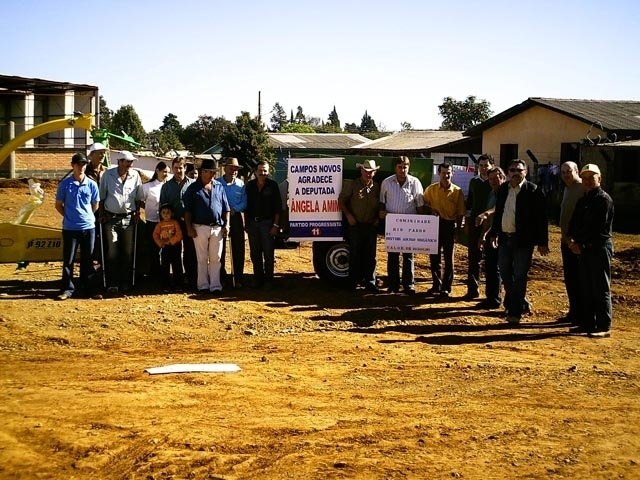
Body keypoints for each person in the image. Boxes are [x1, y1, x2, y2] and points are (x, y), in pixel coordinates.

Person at [490, 159, 549, 324]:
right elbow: (499, 213)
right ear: (508, 173)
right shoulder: (503, 189)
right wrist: (494, 233)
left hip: (523, 241)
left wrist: (543, 242)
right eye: (512, 170)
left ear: (526, 172)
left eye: (519, 170)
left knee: (520, 276)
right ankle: (520, 302)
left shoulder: (534, 191)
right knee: (505, 273)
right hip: (504, 239)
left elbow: (541, 219)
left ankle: (514, 312)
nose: (515, 173)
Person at [567, 164, 614, 338]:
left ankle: (603, 325)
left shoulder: (604, 200)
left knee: (600, 287)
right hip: (584, 249)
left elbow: (598, 228)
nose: (587, 181)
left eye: (591, 178)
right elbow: (574, 223)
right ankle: (588, 323)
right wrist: (572, 239)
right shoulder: (583, 200)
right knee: (585, 286)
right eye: (584, 178)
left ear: (599, 179)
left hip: (598, 248)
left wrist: (580, 243)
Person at [54, 153, 100, 300]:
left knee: (88, 259)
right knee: (68, 260)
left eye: (84, 165)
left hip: (88, 227)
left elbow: (95, 204)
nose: (81, 167)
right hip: (70, 228)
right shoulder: (65, 184)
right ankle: (67, 289)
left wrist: (86, 216)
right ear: (72, 165)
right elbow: (58, 205)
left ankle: (88, 289)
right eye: (78, 164)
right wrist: (69, 216)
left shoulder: (92, 184)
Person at [98, 150, 144, 294]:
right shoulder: (108, 175)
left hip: (129, 218)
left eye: (131, 162)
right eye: (127, 161)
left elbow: (138, 197)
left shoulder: (135, 176)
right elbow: (102, 197)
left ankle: (126, 282)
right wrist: (101, 214)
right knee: (112, 252)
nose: (130, 164)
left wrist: (137, 212)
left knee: (128, 252)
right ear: (120, 162)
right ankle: (112, 282)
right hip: (111, 218)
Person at [183, 158, 230, 294]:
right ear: (202, 172)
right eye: (208, 172)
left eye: (213, 172)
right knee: (202, 258)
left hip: (217, 227)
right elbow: (187, 211)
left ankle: (215, 286)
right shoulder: (192, 189)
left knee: (216, 258)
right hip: (199, 227)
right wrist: (189, 228)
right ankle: (203, 285)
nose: (211, 174)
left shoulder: (219, 186)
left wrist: (227, 224)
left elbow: (226, 208)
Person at [379, 156, 425, 294]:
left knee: (408, 255)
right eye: (400, 166)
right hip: (392, 225)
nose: (402, 169)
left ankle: (408, 284)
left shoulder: (415, 182)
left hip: (409, 226)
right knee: (392, 255)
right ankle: (393, 284)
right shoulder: (386, 182)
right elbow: (382, 201)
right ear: (395, 168)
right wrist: (382, 213)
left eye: (405, 166)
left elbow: (420, 204)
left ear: (408, 167)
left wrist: (423, 223)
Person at [423, 163, 466, 298]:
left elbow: (460, 213)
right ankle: (436, 284)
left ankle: (446, 287)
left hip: (449, 225)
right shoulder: (431, 189)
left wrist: (458, 230)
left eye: (448, 173)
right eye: (443, 173)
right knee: (434, 258)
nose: (446, 175)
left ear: (452, 173)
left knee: (449, 259)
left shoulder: (457, 191)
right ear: (439, 173)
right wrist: (430, 210)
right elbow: (424, 204)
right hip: (434, 226)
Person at [338, 159, 381, 292]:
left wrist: (378, 219)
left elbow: (383, 204)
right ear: (361, 171)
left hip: (370, 225)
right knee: (355, 254)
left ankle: (370, 281)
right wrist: (348, 216)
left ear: (374, 173)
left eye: (371, 172)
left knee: (370, 255)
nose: (368, 174)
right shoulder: (353, 184)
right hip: (355, 225)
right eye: (366, 171)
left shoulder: (378, 187)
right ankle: (353, 282)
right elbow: (341, 201)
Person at [160, 157, 197, 290]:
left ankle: (192, 280)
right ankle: (177, 282)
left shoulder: (193, 184)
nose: (178, 170)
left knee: (190, 252)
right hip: (172, 225)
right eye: (175, 167)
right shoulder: (166, 187)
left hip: (189, 223)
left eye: (181, 167)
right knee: (174, 254)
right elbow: (162, 207)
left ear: (185, 168)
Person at [245, 161, 283, 289]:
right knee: (255, 253)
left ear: (268, 172)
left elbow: (278, 207)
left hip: (268, 224)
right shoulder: (249, 186)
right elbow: (246, 206)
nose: (263, 173)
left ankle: (269, 281)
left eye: (265, 171)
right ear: (256, 172)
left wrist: (276, 226)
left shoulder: (273, 186)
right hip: (252, 223)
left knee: (268, 253)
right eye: (260, 171)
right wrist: (247, 224)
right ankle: (257, 279)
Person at [476, 166, 506, 309]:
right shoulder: (492, 193)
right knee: (491, 267)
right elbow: (489, 219)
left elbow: (496, 209)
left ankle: (517, 302)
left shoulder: (506, 192)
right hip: (491, 235)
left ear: (503, 177)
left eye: (496, 178)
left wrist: (486, 213)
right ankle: (492, 298)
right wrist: (483, 235)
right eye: (491, 179)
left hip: (504, 236)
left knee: (505, 270)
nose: (493, 181)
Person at [464, 154, 494, 299]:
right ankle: (472, 290)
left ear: (491, 166)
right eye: (481, 165)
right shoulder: (473, 182)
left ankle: (492, 294)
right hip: (475, 224)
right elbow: (469, 203)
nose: (483, 168)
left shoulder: (495, 183)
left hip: (491, 226)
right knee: (473, 258)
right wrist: (467, 222)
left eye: (486, 165)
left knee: (491, 260)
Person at [558, 161, 583, 324]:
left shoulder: (582, 188)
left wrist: (577, 239)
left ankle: (581, 314)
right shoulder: (567, 188)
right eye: (563, 172)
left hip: (577, 242)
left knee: (579, 279)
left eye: (569, 171)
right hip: (565, 240)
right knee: (570, 278)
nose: (566, 174)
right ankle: (574, 312)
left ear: (576, 171)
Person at [216, 157, 247, 288]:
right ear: (225, 168)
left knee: (238, 248)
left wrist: (235, 209)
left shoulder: (241, 184)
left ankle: (238, 278)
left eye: (236, 169)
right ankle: (221, 277)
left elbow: (245, 202)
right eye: (231, 168)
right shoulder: (217, 183)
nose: (234, 171)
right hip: (220, 218)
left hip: (236, 217)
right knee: (219, 249)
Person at [142, 161, 170, 281]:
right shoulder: (147, 186)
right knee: (154, 248)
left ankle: (164, 273)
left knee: (165, 247)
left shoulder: (168, 186)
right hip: (152, 221)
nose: (165, 174)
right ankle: (154, 273)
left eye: (167, 172)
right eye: (164, 171)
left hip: (166, 223)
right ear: (157, 171)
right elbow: (141, 201)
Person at [153, 203, 184, 292]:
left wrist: (171, 241)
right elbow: (155, 235)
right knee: (165, 266)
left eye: (168, 212)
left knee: (177, 265)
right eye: (163, 213)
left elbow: (179, 234)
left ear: (172, 214)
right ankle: (165, 285)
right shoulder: (160, 225)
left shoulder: (175, 223)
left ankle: (178, 284)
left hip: (175, 246)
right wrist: (161, 243)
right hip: (165, 247)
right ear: (161, 214)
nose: (166, 214)